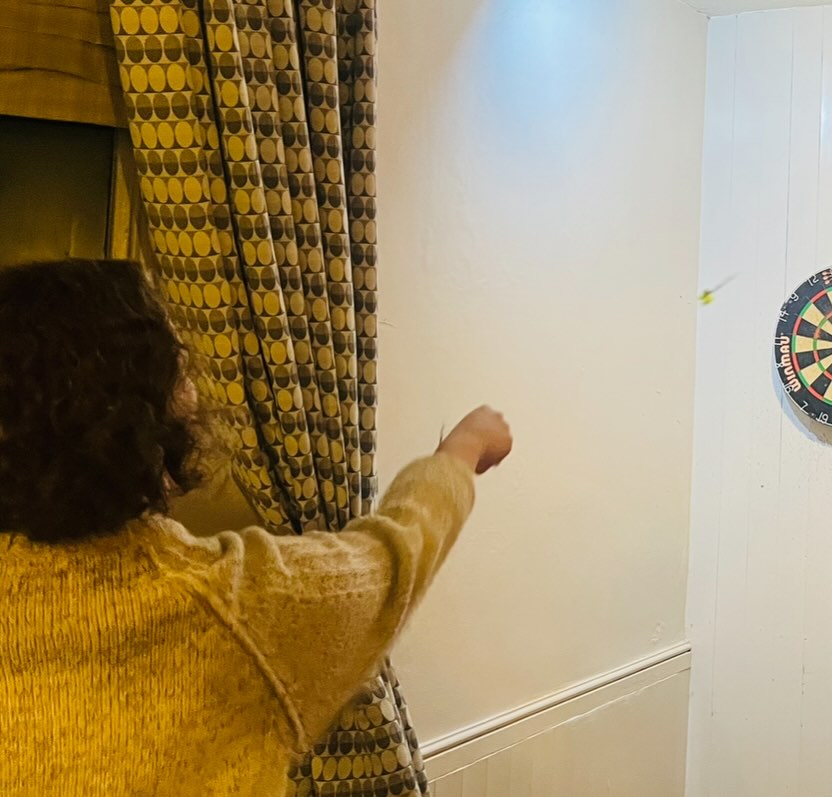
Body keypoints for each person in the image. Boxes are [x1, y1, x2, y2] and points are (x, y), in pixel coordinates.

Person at [0, 258, 512, 796]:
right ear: (134, 410)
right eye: (178, 364)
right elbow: (391, 557)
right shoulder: (236, 607)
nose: (195, 386)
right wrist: (462, 450)